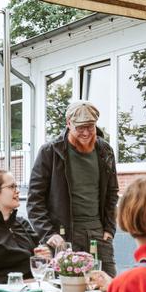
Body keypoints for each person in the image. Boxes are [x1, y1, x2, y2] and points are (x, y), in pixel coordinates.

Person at [27, 100, 119, 276]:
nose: (86, 132)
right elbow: (35, 199)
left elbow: (112, 192)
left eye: (90, 127)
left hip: (98, 233)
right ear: (68, 123)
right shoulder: (50, 152)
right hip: (64, 235)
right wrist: (48, 234)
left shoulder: (105, 151)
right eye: (80, 127)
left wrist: (109, 228)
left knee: (109, 287)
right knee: (66, 290)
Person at [0, 170, 50, 290]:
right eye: (12, 187)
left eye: (16, 186)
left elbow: (39, 266)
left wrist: (44, 258)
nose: (17, 191)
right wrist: (18, 282)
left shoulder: (22, 223)